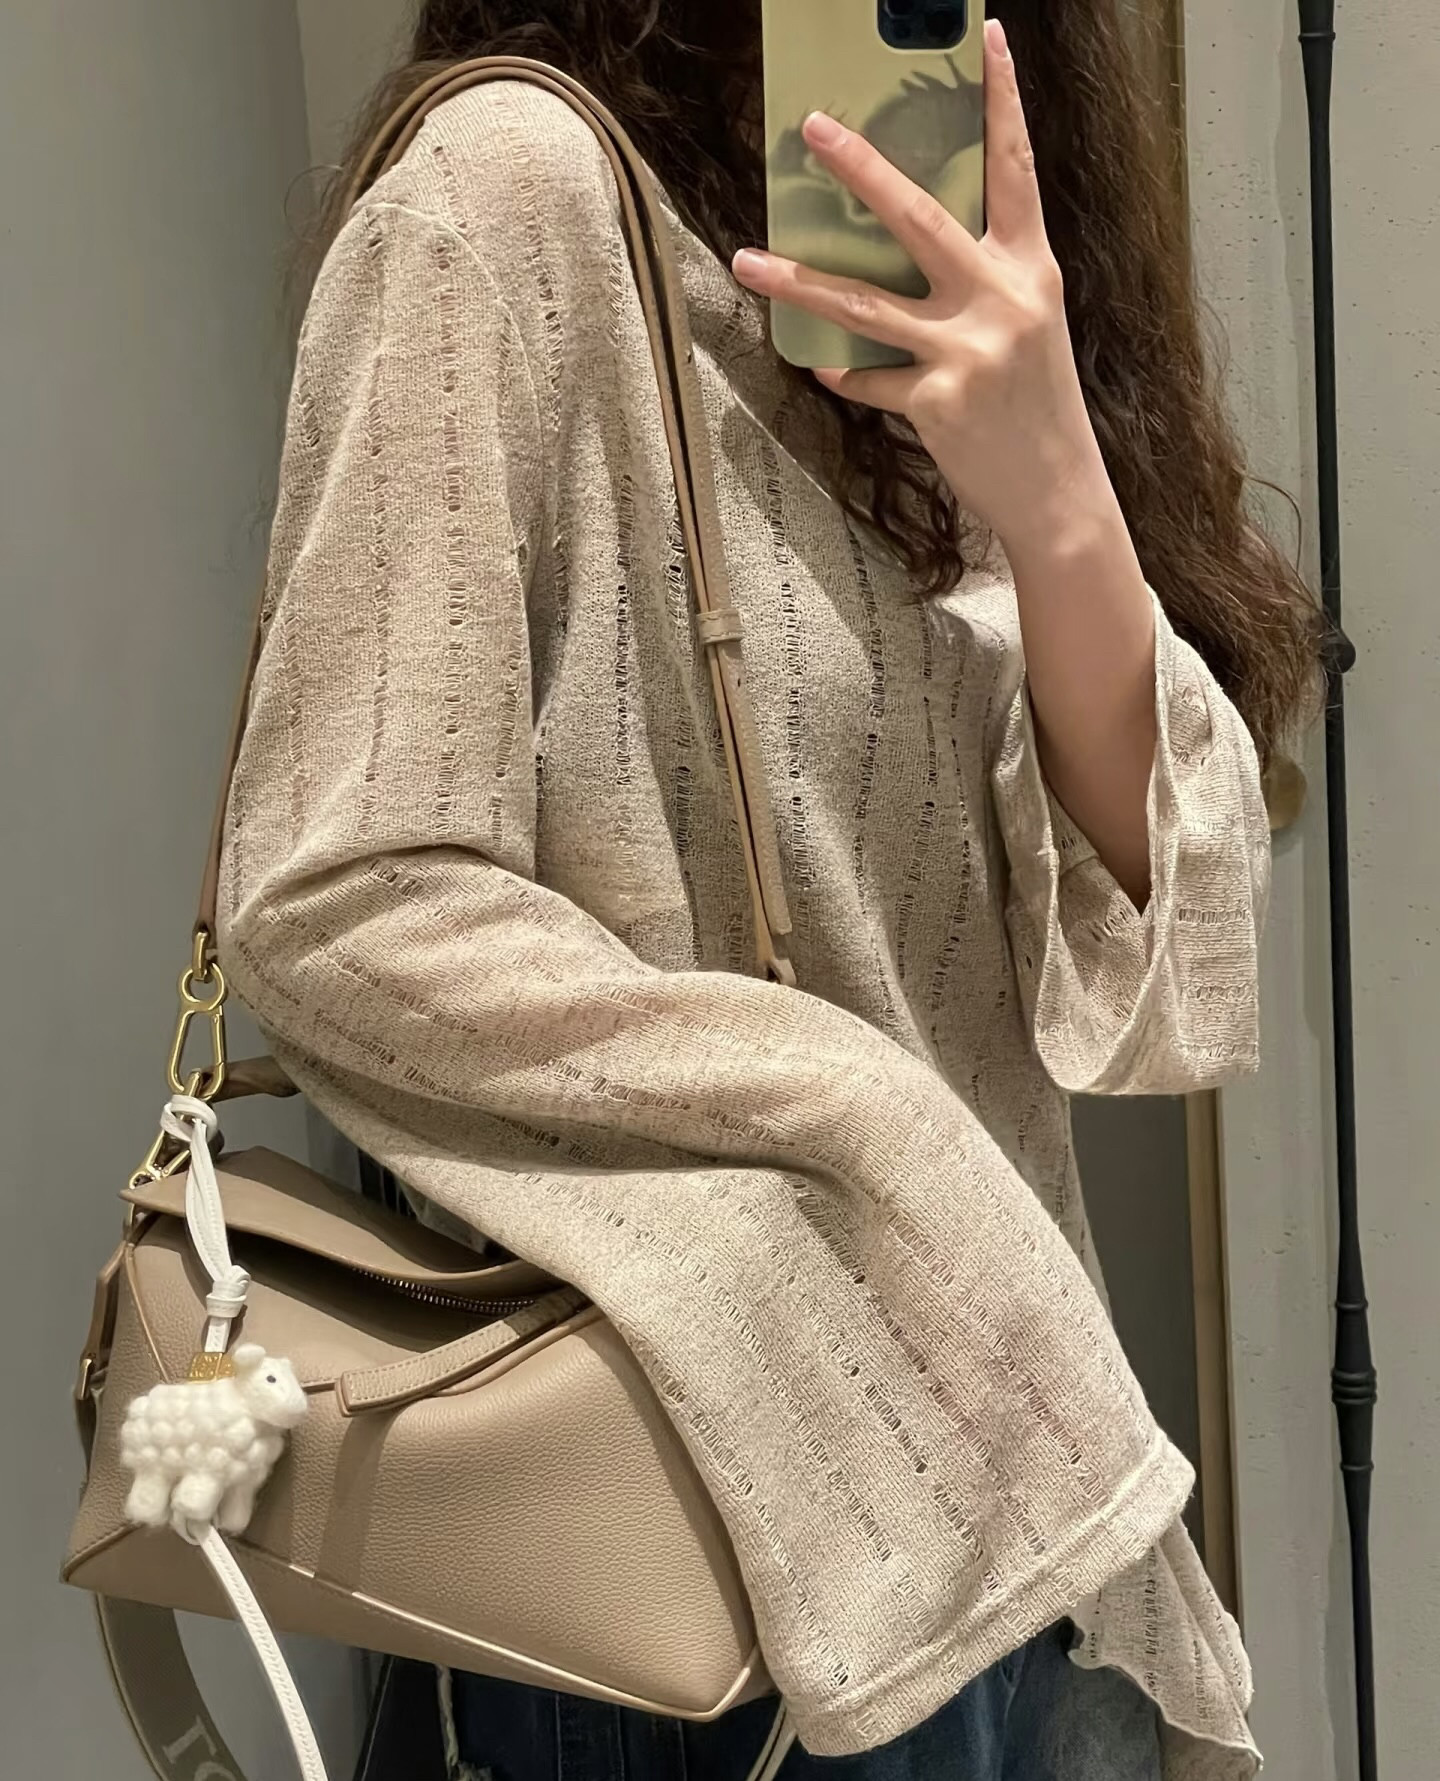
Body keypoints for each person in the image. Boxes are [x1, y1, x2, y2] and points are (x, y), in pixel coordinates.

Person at [217, 3, 1321, 1778]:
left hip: (991, 1481)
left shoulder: (960, 262)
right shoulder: (506, 199)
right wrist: (851, 1115)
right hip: (693, 1539)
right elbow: (335, 892)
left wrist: (1058, 496)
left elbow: (1157, 981)